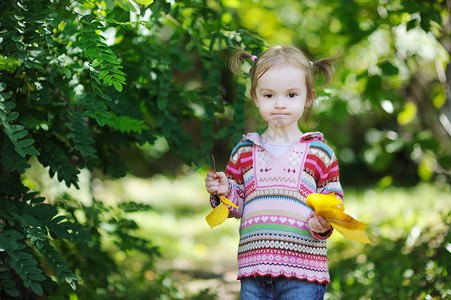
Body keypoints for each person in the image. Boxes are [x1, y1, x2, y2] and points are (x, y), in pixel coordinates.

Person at [205, 45, 343, 300]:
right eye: (269, 96)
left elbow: (334, 202)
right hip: (254, 271)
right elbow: (236, 206)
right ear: (255, 97)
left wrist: (323, 222)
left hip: (304, 272)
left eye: (291, 95)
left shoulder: (320, 153)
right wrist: (224, 191)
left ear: (309, 97)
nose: (279, 104)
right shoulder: (244, 152)